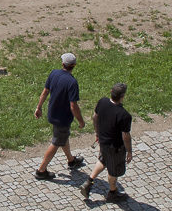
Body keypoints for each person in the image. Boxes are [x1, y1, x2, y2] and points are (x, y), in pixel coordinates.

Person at [33, 53, 86, 181]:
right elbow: (73, 105)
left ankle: (71, 160)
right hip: (62, 118)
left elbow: (45, 91)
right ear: (74, 66)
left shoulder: (54, 73)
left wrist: (39, 107)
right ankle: (41, 171)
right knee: (57, 141)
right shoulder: (72, 82)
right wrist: (81, 121)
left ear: (63, 64)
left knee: (62, 136)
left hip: (52, 113)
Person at [85, 82, 133, 202]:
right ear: (122, 96)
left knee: (103, 160)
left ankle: (88, 182)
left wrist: (97, 133)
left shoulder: (102, 102)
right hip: (115, 147)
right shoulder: (124, 115)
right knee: (113, 170)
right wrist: (129, 151)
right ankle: (112, 193)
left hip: (103, 141)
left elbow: (95, 117)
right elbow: (125, 136)